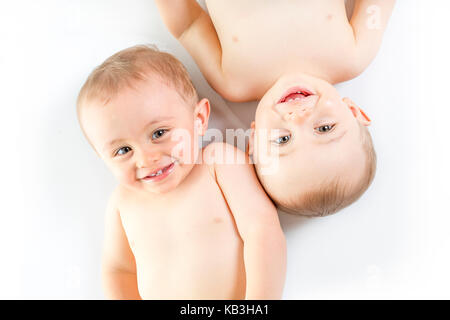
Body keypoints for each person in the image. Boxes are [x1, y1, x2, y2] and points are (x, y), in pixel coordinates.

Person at [76, 45, 286, 299]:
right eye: (123, 150)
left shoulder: (218, 162)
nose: (146, 159)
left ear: (199, 119)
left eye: (158, 133)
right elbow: (119, 271)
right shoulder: (122, 203)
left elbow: (262, 230)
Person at [155, 0, 395, 216]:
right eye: (324, 128)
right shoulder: (352, 56)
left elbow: (189, 25)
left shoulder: (234, 82)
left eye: (282, 139)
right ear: (354, 112)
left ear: (254, 139)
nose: (298, 118)